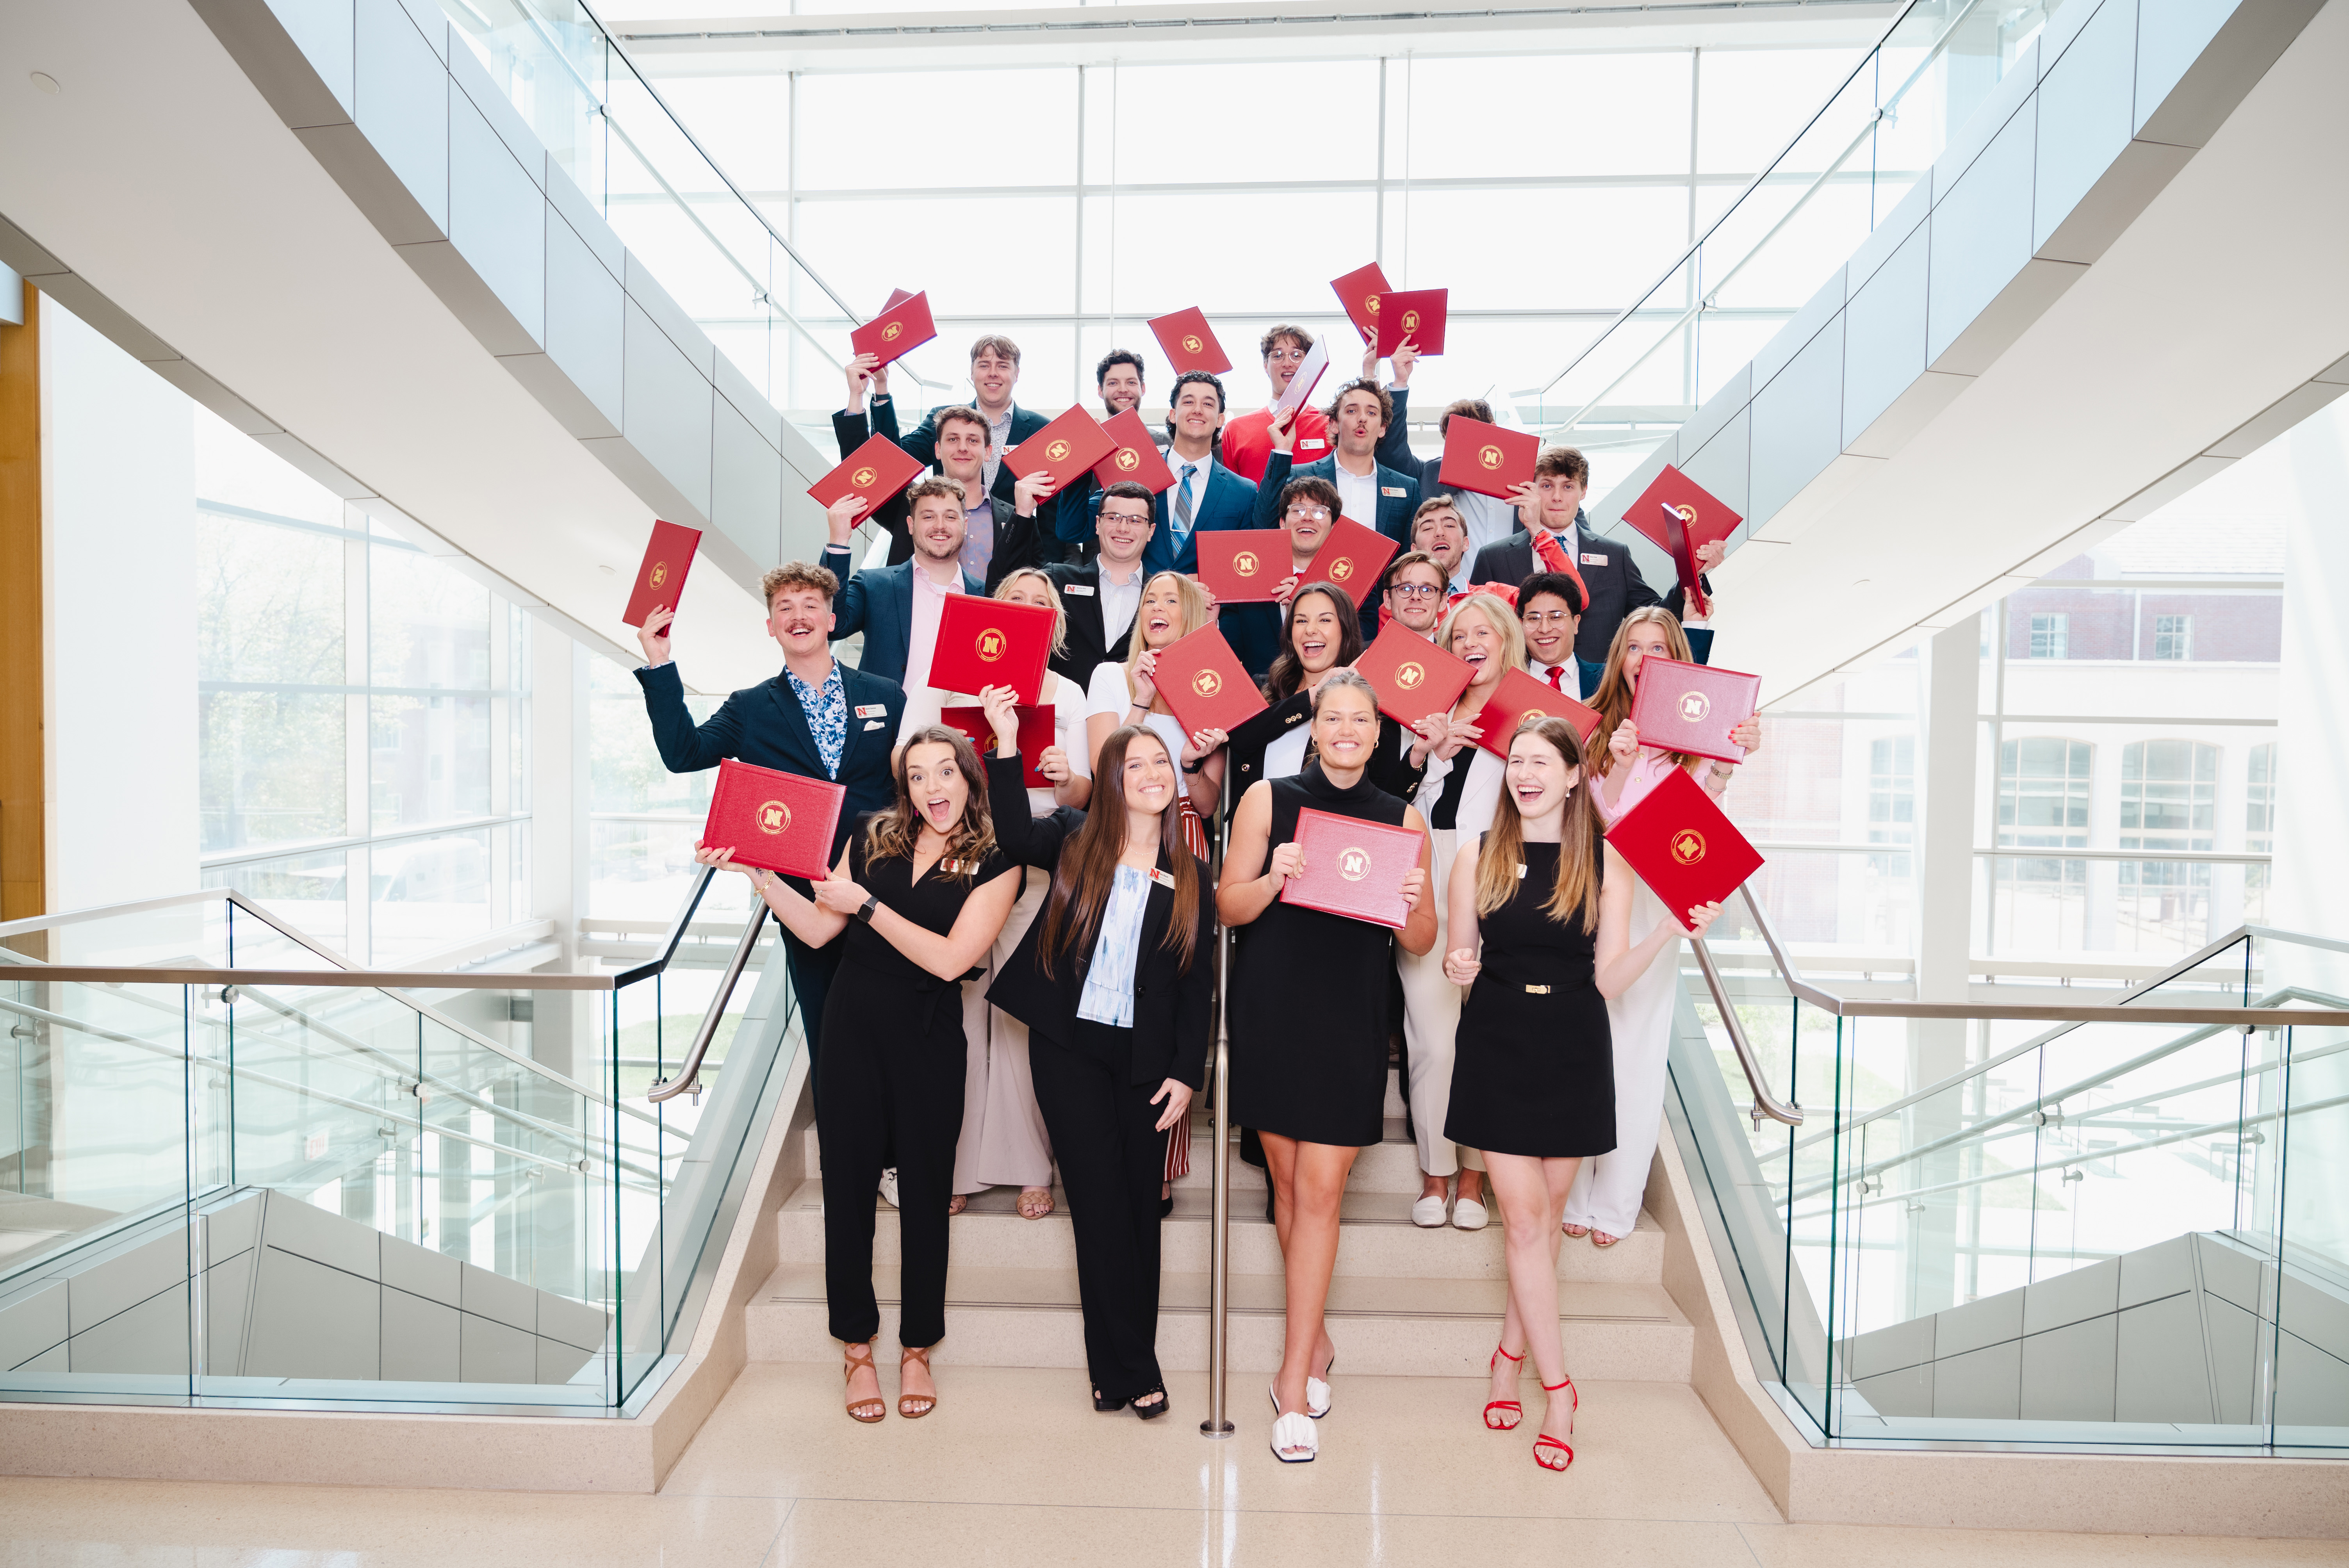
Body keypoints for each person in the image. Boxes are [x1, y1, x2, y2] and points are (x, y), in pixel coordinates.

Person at [695, 724, 1020, 1425]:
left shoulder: (998, 861)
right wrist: (758, 874)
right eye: (919, 775)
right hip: (851, 1032)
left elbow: (948, 959)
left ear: (969, 778)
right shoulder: (872, 836)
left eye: (946, 772)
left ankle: (917, 1348)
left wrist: (868, 906)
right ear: (904, 785)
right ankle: (855, 1349)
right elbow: (818, 930)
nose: (934, 788)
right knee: (847, 1196)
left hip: (929, 1038)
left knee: (928, 1197)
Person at [1442, 715, 1721, 1471]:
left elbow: (1607, 979)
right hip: (1496, 1045)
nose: (1524, 774)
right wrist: (1457, 968)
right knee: (1526, 1221)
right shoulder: (1475, 853)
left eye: (1541, 762)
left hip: (1571, 1046)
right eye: (1515, 762)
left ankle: (1507, 1353)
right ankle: (1560, 1389)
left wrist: (1667, 935)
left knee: (1540, 1221)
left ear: (1574, 775)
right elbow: (1456, 954)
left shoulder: (1607, 862)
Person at [1219, 669, 1435, 1463]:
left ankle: (1290, 1370)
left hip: (1349, 1018)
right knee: (1285, 1186)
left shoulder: (1403, 815)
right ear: (1313, 725)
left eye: (1362, 719)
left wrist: (1414, 897)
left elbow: (1417, 940)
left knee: (1318, 1190)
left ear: (1379, 734)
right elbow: (1226, 905)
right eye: (1334, 716)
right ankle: (1316, 1338)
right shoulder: (1268, 800)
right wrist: (1273, 878)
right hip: (1273, 1008)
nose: (1347, 729)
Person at [984, 718, 1214, 1419]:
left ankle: (1114, 1369)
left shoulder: (1191, 872)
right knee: (1101, 1208)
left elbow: (1195, 981)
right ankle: (1135, 1368)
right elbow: (1015, 837)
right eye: (1133, 764)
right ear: (1112, 779)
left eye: (1159, 763)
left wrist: (1186, 1071)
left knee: (1141, 1211)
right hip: (1070, 1049)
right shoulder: (1075, 838)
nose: (1149, 774)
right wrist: (1004, 744)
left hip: (1146, 1061)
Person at [633, 563, 906, 1059]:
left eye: (810, 605)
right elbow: (684, 753)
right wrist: (659, 664)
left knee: (897, 1038)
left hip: (884, 886)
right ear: (771, 625)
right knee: (830, 1040)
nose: (798, 616)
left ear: (831, 617)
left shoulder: (885, 695)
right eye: (785, 608)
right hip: (802, 899)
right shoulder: (750, 707)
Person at [1562, 607, 1760, 1249]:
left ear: (1676, 659)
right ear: (1618, 657)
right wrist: (1618, 757)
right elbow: (1603, 814)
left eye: (1658, 646)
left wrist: (1731, 757)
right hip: (1599, 889)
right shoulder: (1599, 731)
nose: (1644, 657)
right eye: (1633, 647)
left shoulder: (1697, 740)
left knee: (1639, 1052)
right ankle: (1577, 1190)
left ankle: (1615, 1203)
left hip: (1658, 899)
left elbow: (1704, 816)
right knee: (1588, 1046)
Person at [925, 570, 1096, 1221]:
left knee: (1022, 1019)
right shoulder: (949, 681)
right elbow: (909, 766)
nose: (1027, 611)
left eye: (1040, 603)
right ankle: (956, 1162)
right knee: (961, 1022)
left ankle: (1030, 1164)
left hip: (1038, 865)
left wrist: (1064, 774)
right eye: (1013, 602)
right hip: (961, 862)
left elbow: (1083, 796)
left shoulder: (1069, 691)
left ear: (1055, 621)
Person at [1394, 593, 1532, 1231]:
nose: (1471, 643)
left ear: (1507, 640)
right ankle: (1435, 1172)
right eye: (1459, 635)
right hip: (1427, 864)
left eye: (1485, 632)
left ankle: (1476, 1180)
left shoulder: (1532, 716)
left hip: (1499, 869)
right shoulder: (1424, 709)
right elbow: (1392, 796)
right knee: (1432, 1036)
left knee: (1490, 1039)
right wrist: (1430, 755)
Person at [1469, 447, 1718, 695]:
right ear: (1532, 490)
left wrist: (1692, 572)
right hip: (1517, 691)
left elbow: (1655, 615)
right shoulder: (1494, 557)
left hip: (1602, 692)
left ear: (1584, 491)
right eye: (1547, 486)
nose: (1557, 497)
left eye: (1568, 487)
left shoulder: (1614, 554)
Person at [821, 478, 983, 688]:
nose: (940, 526)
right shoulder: (874, 586)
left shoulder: (988, 597)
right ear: (911, 525)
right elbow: (833, 626)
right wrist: (839, 541)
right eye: (929, 516)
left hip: (957, 721)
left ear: (965, 525)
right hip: (888, 720)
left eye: (950, 517)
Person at [1372, 352, 1520, 559]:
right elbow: (1392, 451)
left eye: (1472, 432)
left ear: (1493, 430)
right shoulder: (1431, 473)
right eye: (1455, 439)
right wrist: (1400, 384)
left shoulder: (1524, 477)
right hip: (1449, 585)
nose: (1465, 444)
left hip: (1512, 587)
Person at [882, 335, 1050, 514]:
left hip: (1016, 539)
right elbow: (893, 460)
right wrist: (881, 392)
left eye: (1002, 366)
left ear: (1016, 374)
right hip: (946, 534)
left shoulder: (1042, 431)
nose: (993, 373)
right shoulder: (943, 421)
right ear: (972, 372)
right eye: (984, 365)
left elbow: (1052, 507)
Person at [1253, 379, 1422, 545]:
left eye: (1371, 413)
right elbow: (1264, 526)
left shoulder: (1407, 488)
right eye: (1351, 411)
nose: (1362, 418)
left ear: (1383, 429)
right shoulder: (1298, 477)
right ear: (1334, 424)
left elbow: (1412, 555)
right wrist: (1282, 449)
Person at [1220, 475, 1351, 678]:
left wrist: (1303, 603)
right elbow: (1226, 657)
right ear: (1282, 523)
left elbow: (1359, 651)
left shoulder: (1355, 584)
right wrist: (1210, 623)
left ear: (1334, 527)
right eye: (1297, 510)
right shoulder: (1247, 582)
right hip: (1266, 701)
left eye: (1319, 512)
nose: (1307, 517)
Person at [1139, 371, 1257, 576]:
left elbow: (1244, 566)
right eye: (1188, 402)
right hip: (1142, 603)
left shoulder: (1244, 492)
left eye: (1208, 404)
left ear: (1220, 420)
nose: (1198, 410)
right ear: (1173, 414)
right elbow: (1073, 530)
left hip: (1207, 605)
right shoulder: (1140, 478)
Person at [1044, 479, 1153, 689]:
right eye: (1113, 518)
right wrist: (1021, 515)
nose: (1123, 528)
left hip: (1133, 717)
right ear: (1097, 524)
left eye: (1136, 521)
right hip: (1061, 717)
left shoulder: (1165, 597)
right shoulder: (1056, 580)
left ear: (1151, 531)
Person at [1053, 349, 1151, 565]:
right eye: (1114, 383)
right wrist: (1084, 457)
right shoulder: (1086, 448)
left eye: (1131, 382)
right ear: (1100, 390)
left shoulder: (1167, 446)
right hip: (1101, 576)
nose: (1123, 390)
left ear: (1143, 388)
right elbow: (1071, 530)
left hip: (1157, 575)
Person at [1219, 324, 1334, 485]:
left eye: (1296, 355)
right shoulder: (1236, 430)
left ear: (1309, 364)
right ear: (1266, 366)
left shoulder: (1330, 425)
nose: (1287, 363)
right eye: (1278, 356)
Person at [836, 353, 914, 563]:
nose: (963, 448)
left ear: (988, 450)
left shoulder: (1002, 513)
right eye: (952, 439)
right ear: (937, 448)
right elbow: (868, 468)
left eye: (973, 440)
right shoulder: (913, 502)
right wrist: (861, 394)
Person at [1515, 571, 1589, 695]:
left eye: (1555, 617)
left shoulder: (1609, 680)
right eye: (1534, 618)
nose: (1545, 629)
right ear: (1521, 625)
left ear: (1575, 623)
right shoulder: (1506, 687)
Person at [1374, 547, 1451, 640]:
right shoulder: (1359, 654)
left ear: (1442, 602)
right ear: (1388, 599)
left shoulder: (1454, 655)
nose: (1416, 596)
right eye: (1406, 589)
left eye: (1427, 590)